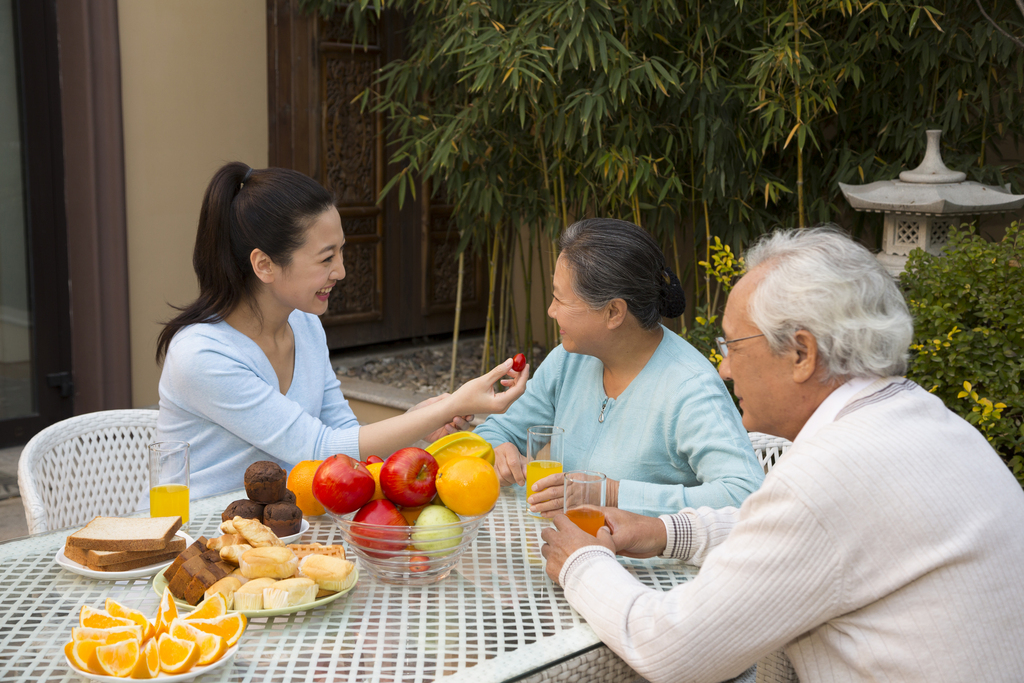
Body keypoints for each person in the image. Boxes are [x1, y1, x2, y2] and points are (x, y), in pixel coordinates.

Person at [541, 227, 1024, 682]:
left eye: (732, 345)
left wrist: (583, 563)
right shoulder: (922, 419)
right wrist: (666, 531)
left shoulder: (830, 475)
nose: (724, 369)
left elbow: (672, 650)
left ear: (801, 354)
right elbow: (796, 537)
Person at [156, 162, 528, 498]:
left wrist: (419, 423)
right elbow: (319, 448)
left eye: (342, 252)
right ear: (264, 265)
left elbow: (344, 438)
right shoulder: (201, 355)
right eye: (326, 257)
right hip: (193, 539)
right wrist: (449, 405)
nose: (342, 271)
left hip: (283, 529)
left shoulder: (305, 326)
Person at [473, 218, 764, 518]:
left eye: (560, 298)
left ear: (613, 312)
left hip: (646, 564)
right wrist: (498, 448)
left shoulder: (690, 388)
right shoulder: (568, 360)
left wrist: (611, 493)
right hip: (566, 549)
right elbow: (497, 431)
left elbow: (746, 494)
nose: (550, 310)